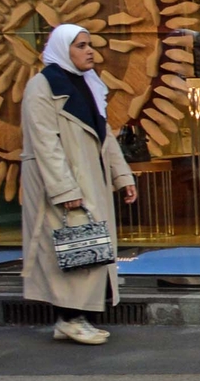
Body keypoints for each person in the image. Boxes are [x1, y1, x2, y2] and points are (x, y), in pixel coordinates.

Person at [19, 23, 138, 344]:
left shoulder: (88, 84)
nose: (89, 51)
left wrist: (122, 176)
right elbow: (45, 144)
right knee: (72, 248)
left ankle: (75, 317)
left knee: (87, 246)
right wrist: (64, 190)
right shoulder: (42, 87)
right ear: (62, 49)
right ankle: (70, 318)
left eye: (89, 45)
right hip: (63, 183)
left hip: (88, 178)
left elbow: (105, 136)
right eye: (81, 45)